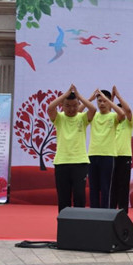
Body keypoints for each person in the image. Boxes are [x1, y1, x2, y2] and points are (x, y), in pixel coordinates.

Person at [47, 84, 96, 213]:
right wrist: (65, 95)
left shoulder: (82, 118)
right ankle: (64, 224)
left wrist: (79, 96)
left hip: (80, 163)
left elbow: (93, 109)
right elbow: (50, 108)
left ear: (78, 104)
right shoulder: (59, 118)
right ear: (62, 106)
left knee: (79, 196)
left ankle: (79, 223)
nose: (71, 109)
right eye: (67, 106)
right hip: (61, 162)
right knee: (63, 198)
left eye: (75, 105)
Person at [85, 89, 125, 208]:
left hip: (108, 156)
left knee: (105, 187)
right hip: (93, 155)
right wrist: (90, 99)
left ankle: (105, 213)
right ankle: (94, 213)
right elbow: (78, 112)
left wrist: (110, 101)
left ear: (109, 102)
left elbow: (122, 114)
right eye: (99, 101)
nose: (102, 103)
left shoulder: (113, 116)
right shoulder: (93, 114)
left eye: (104, 101)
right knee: (93, 188)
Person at [109, 86, 133, 215]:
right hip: (111, 156)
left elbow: (128, 110)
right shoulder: (111, 122)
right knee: (111, 186)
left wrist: (117, 96)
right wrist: (111, 98)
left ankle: (123, 214)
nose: (120, 113)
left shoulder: (128, 123)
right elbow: (108, 111)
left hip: (124, 157)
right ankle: (110, 212)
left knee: (123, 187)